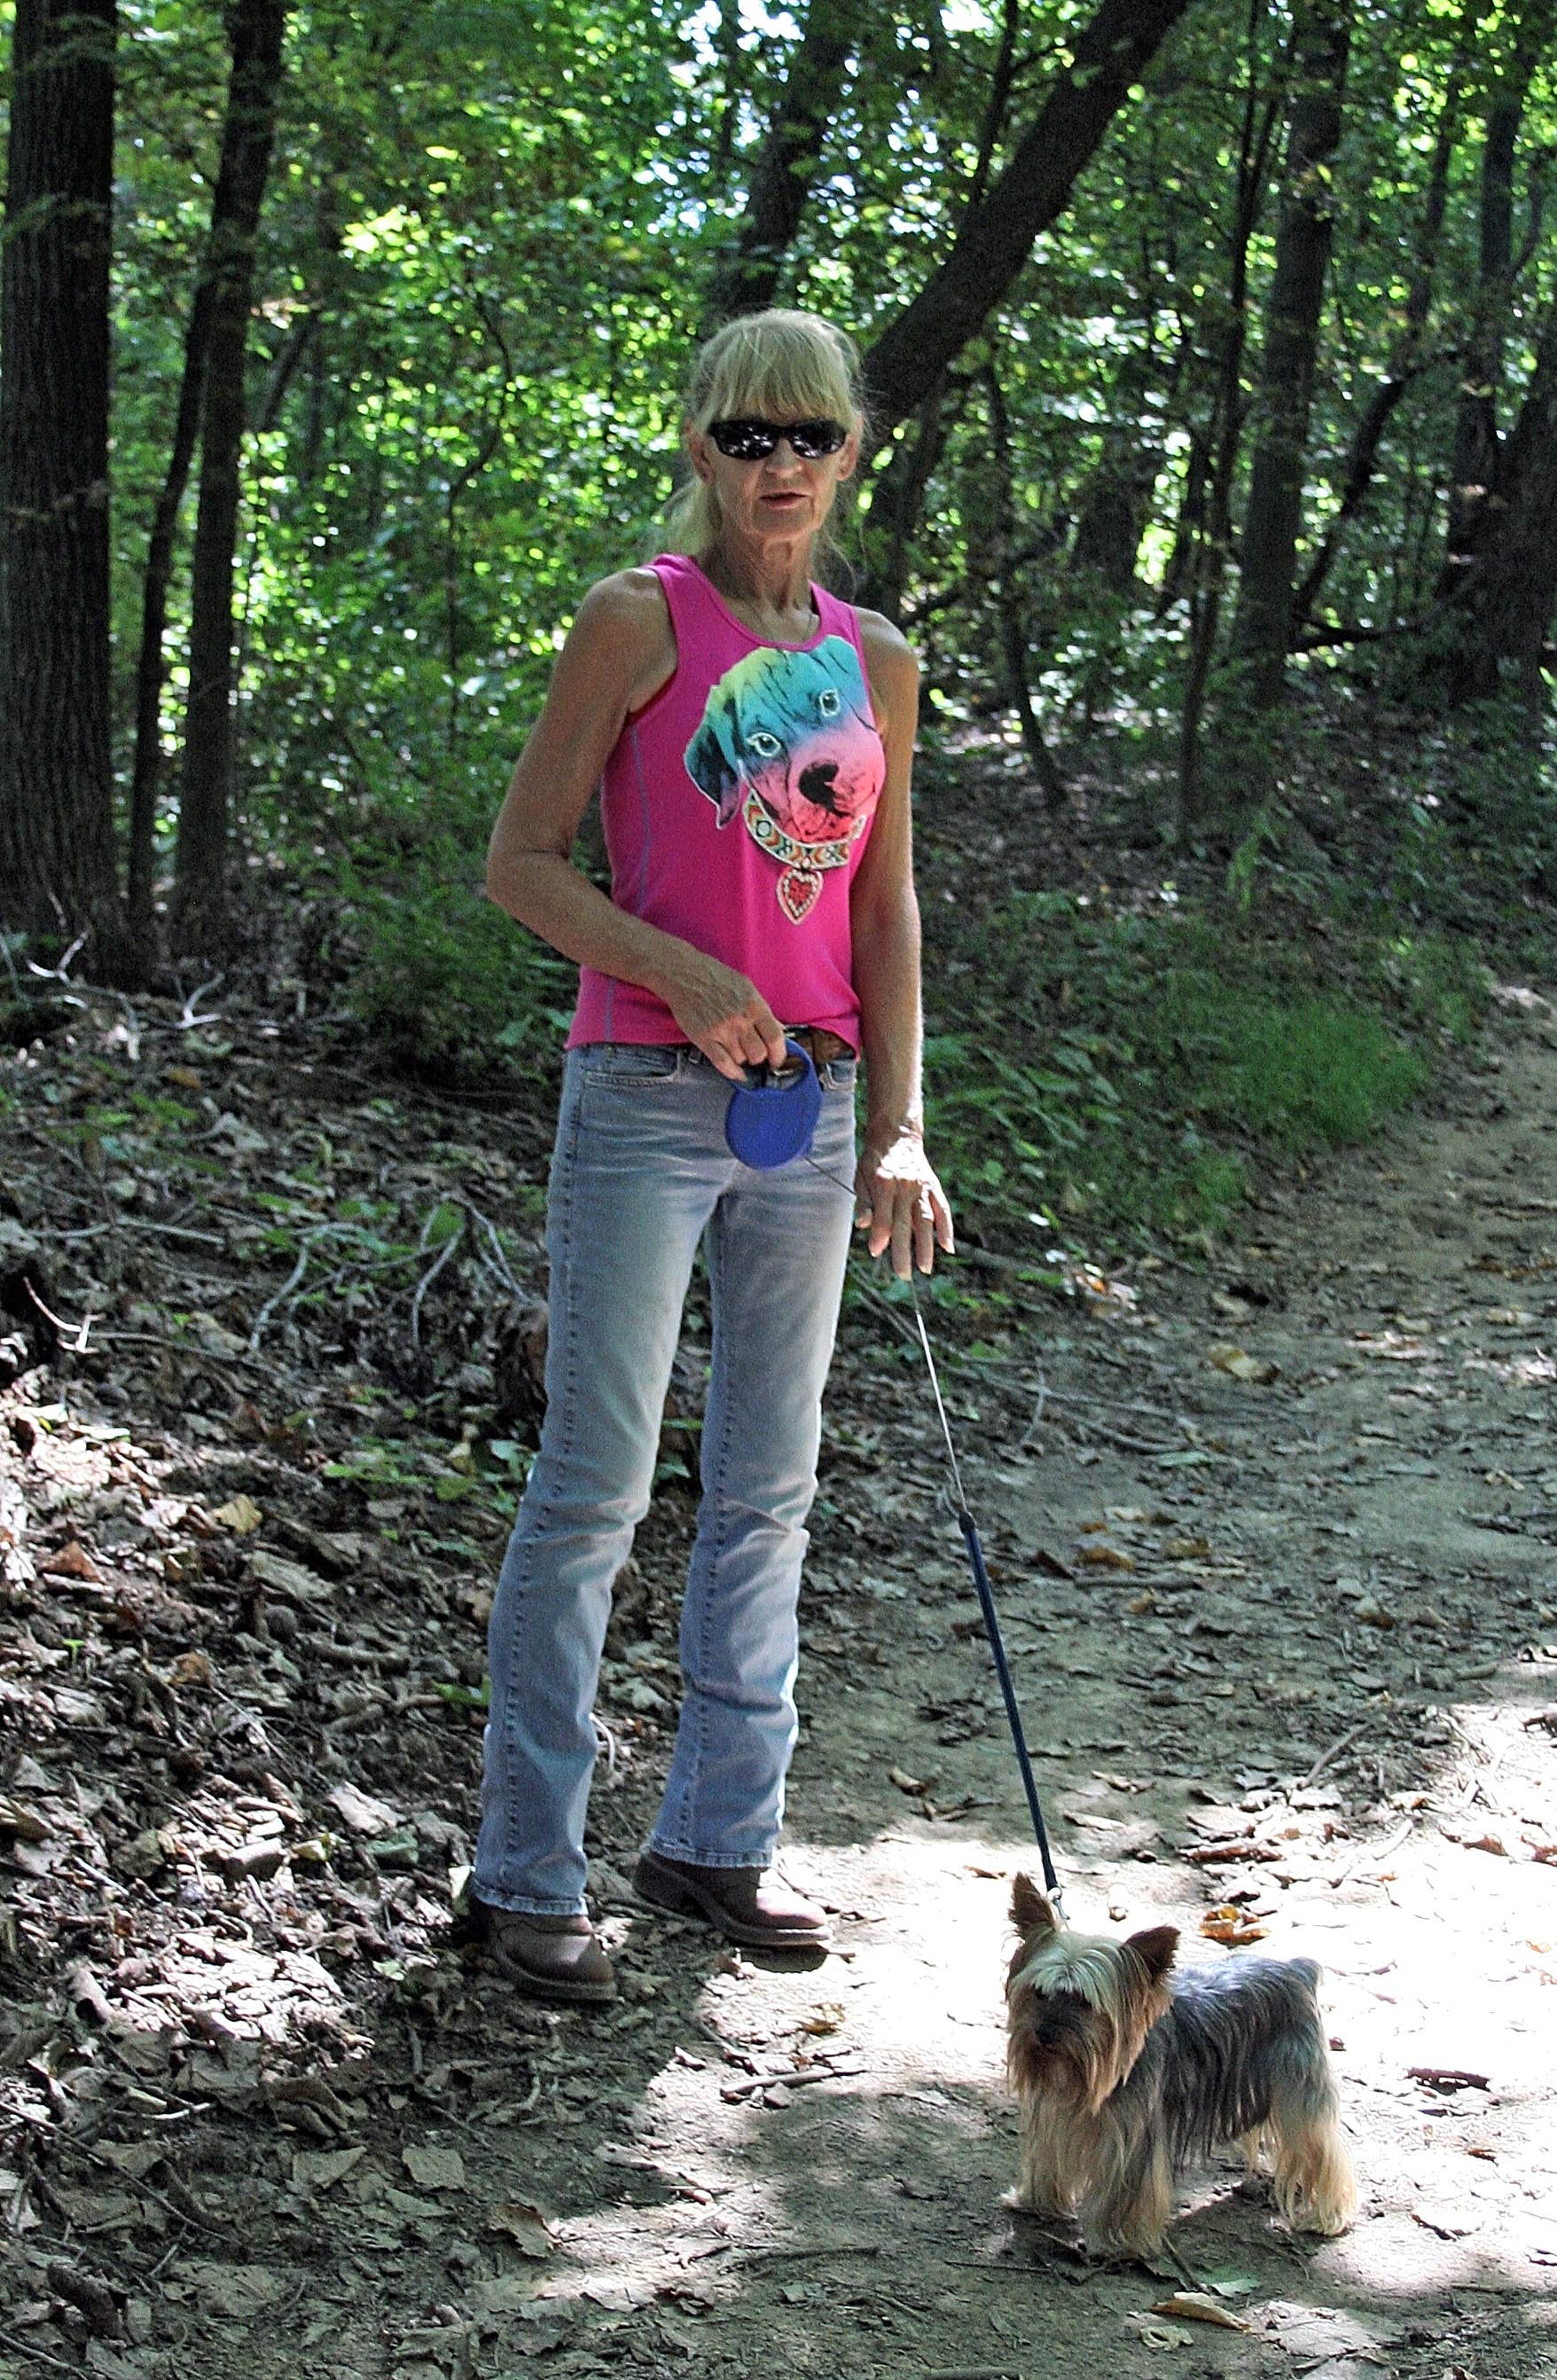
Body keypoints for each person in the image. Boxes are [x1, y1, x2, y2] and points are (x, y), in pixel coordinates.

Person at [466, 309, 953, 2002]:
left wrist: (899, 1124)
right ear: (701, 446)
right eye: (748, 435)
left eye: (809, 435)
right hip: (647, 1104)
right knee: (596, 1486)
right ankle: (527, 1871)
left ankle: (715, 1844)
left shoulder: (875, 655)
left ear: (851, 447)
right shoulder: (634, 622)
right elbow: (522, 867)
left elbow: (883, 908)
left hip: (812, 1117)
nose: (780, 466)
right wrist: (683, 972)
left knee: (768, 1494)